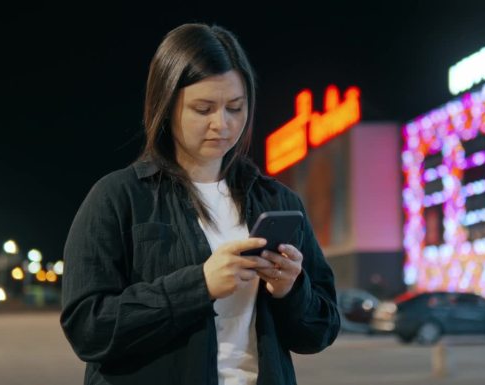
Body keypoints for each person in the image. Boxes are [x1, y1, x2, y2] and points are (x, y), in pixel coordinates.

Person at [59, 23, 340, 385]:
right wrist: (199, 285)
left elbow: (321, 331)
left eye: (235, 108)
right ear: (166, 104)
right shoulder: (118, 197)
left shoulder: (278, 201)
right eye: (203, 108)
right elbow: (88, 328)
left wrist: (291, 289)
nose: (221, 124)